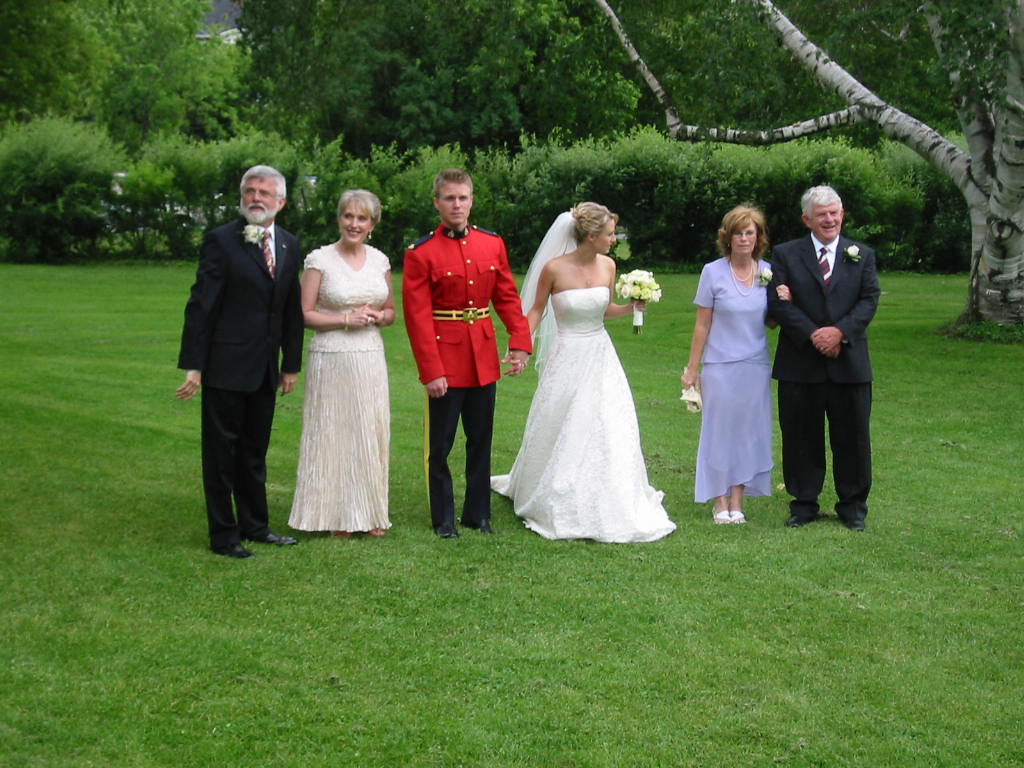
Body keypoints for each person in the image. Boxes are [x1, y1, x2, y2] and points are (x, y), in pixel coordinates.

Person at [490, 203, 676, 543]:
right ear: (590, 236)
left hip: (600, 354)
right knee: (564, 422)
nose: (613, 240)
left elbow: (604, 311)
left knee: (608, 420)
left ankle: (610, 490)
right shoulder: (554, 269)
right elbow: (534, 311)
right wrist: (520, 345)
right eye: (608, 235)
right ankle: (555, 489)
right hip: (568, 353)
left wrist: (633, 307)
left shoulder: (608, 265)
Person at [176, 164, 303, 558]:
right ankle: (223, 534)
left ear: (280, 202)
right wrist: (194, 365)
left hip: (264, 369)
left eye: (265, 193)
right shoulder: (221, 241)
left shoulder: (288, 244)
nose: (256, 198)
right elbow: (201, 306)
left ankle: (256, 525)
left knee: (254, 453)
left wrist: (291, 364)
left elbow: (290, 309)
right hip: (226, 366)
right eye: (250, 191)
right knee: (221, 455)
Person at [402, 169, 533, 538]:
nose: (456, 204)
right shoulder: (420, 253)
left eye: (462, 197)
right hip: (445, 359)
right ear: (437, 203)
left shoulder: (492, 244)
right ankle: (443, 518)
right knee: (440, 446)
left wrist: (520, 342)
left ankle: (478, 515)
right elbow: (417, 317)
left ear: (472, 200)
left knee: (481, 440)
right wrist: (431, 370)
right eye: (449, 198)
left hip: (483, 357)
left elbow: (506, 297)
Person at [767, 185, 880, 530]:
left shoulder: (862, 253)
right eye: (822, 215)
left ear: (842, 214)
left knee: (854, 439)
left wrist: (839, 332)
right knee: (801, 437)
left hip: (849, 363)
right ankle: (803, 503)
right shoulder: (786, 255)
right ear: (807, 219)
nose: (829, 219)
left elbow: (869, 298)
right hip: (801, 362)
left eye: (834, 213)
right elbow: (777, 302)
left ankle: (852, 507)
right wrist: (814, 334)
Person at [288, 189, 395, 538]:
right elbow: (304, 315)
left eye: (362, 218)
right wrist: (345, 319)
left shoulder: (380, 260)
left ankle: (370, 512)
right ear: (339, 219)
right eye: (348, 216)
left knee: (369, 430)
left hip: (369, 357)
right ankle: (334, 516)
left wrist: (378, 315)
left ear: (372, 224)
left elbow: (392, 312)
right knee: (334, 431)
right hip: (331, 356)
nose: (354, 223)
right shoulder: (319, 260)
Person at [681, 205, 775, 525]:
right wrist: (692, 369)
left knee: (747, 433)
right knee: (719, 433)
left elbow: (775, 319)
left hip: (755, 365)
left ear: (758, 237)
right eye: (738, 232)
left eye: (750, 232)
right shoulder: (712, 272)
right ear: (728, 237)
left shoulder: (768, 273)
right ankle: (719, 501)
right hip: (720, 365)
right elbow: (702, 325)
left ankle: (738, 500)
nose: (744, 238)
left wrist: (786, 299)